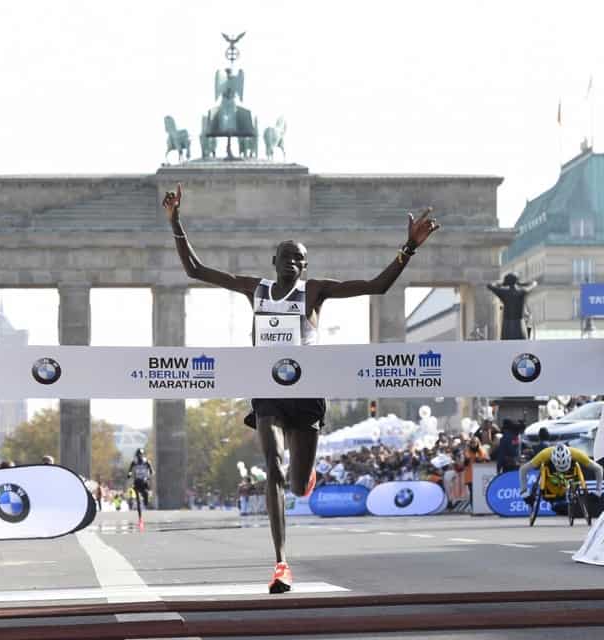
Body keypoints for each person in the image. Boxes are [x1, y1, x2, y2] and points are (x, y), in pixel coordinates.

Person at [163, 183, 439, 593]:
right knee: (273, 467)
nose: (293, 261)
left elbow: (376, 286)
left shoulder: (314, 291)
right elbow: (196, 271)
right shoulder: (253, 289)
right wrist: (176, 223)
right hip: (268, 391)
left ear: (305, 267)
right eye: (287, 255)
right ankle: (281, 563)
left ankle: (305, 478)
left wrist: (408, 248)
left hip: (307, 395)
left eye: (300, 258)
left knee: (296, 483)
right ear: (273, 260)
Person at [519, 443, 602, 507]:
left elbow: (599, 469)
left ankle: (568, 490)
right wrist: (524, 493)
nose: (562, 470)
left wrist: (598, 491)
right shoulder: (544, 455)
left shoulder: (578, 455)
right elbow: (523, 469)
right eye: (560, 467)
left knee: (578, 469)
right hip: (551, 474)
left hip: (571, 471)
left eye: (564, 467)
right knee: (545, 469)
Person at [128, 448, 154, 519]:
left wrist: (150, 474)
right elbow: (130, 470)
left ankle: (146, 499)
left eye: (141, 455)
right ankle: (140, 514)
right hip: (137, 481)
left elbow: (151, 470)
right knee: (137, 497)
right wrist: (129, 474)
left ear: (143, 455)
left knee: (145, 494)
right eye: (138, 455)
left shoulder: (146, 462)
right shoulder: (134, 462)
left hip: (144, 481)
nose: (139, 457)